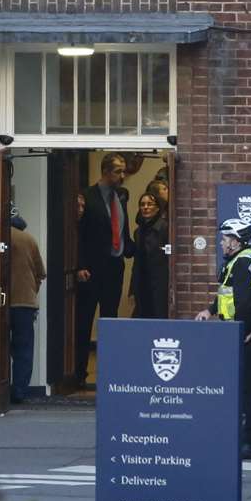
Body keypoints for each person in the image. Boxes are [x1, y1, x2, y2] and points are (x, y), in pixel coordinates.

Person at [196, 217, 251, 459]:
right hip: (250, 327)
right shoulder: (239, 261)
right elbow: (227, 295)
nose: (221, 243)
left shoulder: (242, 264)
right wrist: (210, 310)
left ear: (236, 241)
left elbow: (245, 303)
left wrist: (242, 329)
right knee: (245, 383)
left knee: (248, 386)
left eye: (225, 239)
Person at [74, 152, 131, 387]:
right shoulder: (86, 196)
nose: (122, 175)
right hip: (91, 269)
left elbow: (121, 230)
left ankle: (109, 373)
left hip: (114, 266)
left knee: (110, 320)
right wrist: (80, 264)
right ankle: (78, 374)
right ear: (106, 171)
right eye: (118, 171)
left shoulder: (121, 196)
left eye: (123, 170)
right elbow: (77, 234)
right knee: (84, 320)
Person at [8, 209, 46, 404]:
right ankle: (19, 391)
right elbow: (41, 272)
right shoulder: (29, 240)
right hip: (25, 302)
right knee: (23, 349)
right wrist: (32, 289)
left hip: (2, 302)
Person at [130, 191, 169, 319]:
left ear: (157, 208)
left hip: (159, 281)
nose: (145, 207)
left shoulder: (165, 228)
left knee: (159, 315)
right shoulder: (138, 231)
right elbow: (137, 261)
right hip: (142, 281)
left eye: (149, 204)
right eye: (142, 204)